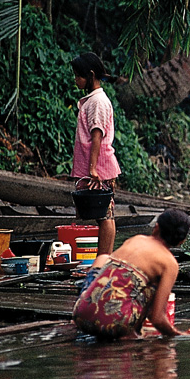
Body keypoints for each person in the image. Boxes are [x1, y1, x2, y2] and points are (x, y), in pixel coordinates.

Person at [73, 208, 190, 339]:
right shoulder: (169, 264)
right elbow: (157, 318)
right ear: (181, 241)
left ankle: (89, 307)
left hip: (80, 314)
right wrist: (179, 334)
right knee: (153, 284)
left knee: (103, 258)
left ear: (156, 228)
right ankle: (131, 333)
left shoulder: (136, 239)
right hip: (114, 324)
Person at [71, 52, 122, 259]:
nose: (76, 80)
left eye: (78, 76)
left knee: (105, 215)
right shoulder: (92, 100)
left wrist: (92, 168)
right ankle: (103, 258)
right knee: (102, 215)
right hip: (96, 165)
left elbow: (97, 134)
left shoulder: (98, 101)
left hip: (99, 167)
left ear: (91, 75)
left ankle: (103, 259)